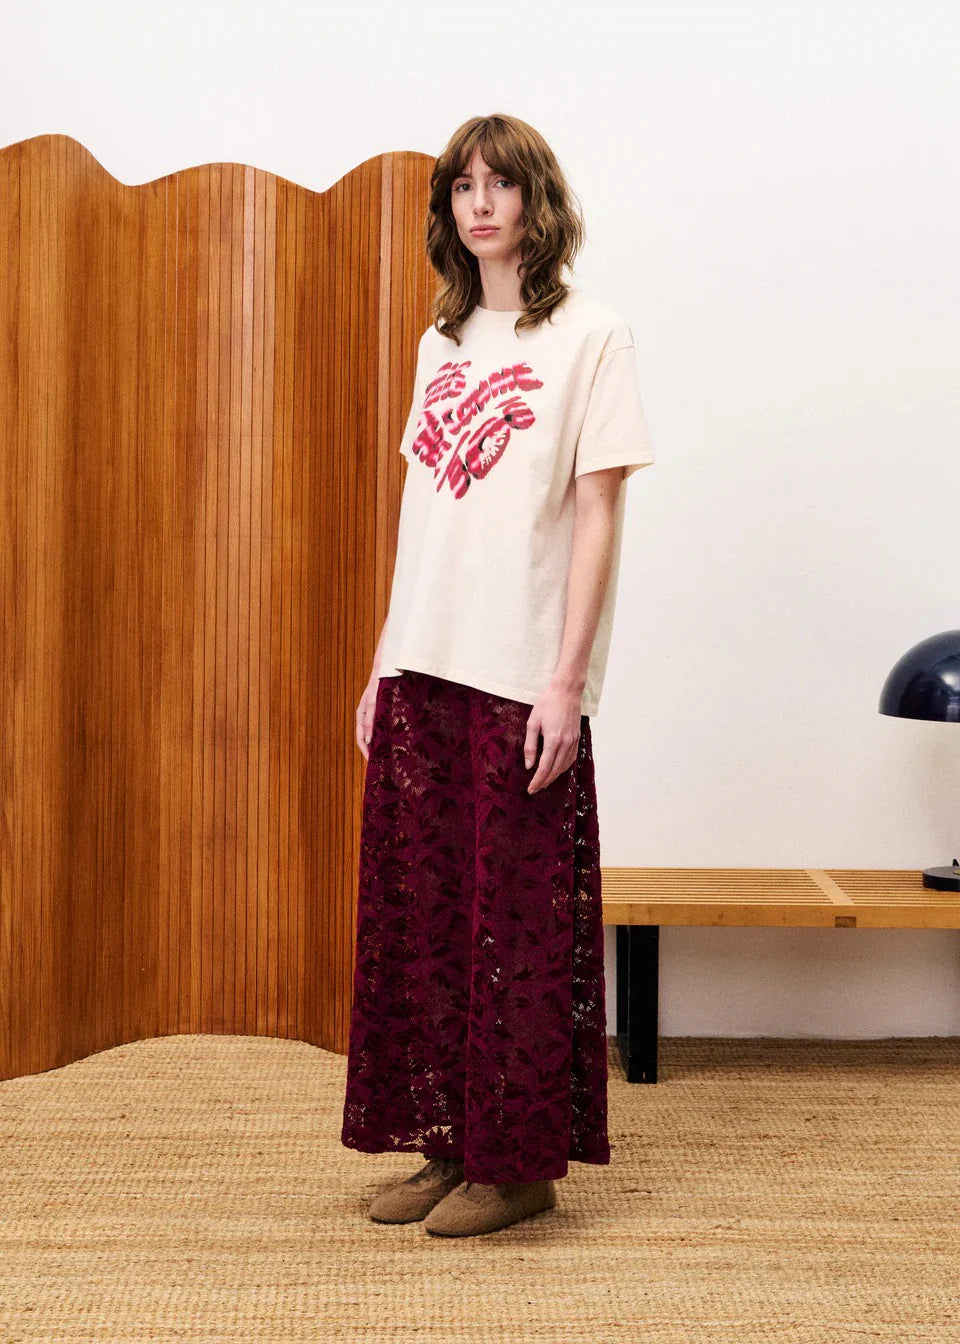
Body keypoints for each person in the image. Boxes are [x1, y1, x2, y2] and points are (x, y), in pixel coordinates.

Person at [339, 113, 655, 1238]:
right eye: (463, 185)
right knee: (428, 923)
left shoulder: (593, 339)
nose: (481, 202)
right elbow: (424, 523)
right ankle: (446, 1144)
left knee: (513, 931)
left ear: (535, 202)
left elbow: (598, 521)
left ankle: (517, 1166)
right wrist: (384, 663)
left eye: (501, 184)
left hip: (520, 677)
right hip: (424, 668)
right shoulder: (443, 344)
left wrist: (567, 685)